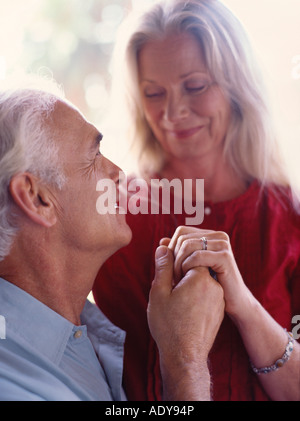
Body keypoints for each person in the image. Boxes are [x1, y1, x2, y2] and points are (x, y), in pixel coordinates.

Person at [93, 0, 300, 401]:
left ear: (237, 84)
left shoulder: (288, 215)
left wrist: (243, 305)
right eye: (153, 93)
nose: (173, 113)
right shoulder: (115, 213)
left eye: (195, 86)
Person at [0, 75, 225, 401]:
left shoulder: (84, 331)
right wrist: (185, 363)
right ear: (37, 199)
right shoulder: (11, 382)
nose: (118, 172)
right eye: (93, 156)